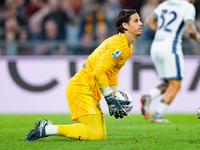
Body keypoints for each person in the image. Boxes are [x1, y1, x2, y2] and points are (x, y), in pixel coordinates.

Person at [24, 9, 143, 141]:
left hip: (89, 89)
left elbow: (111, 72)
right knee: (95, 134)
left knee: (100, 135)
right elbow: (99, 72)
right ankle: (45, 129)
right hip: (82, 87)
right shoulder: (118, 45)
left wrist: (115, 93)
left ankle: (46, 128)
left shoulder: (127, 47)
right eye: (136, 21)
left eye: (139, 20)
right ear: (125, 25)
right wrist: (110, 99)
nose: (141, 23)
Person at [141, 0, 200, 123]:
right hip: (171, 47)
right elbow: (190, 30)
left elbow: (148, 21)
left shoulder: (165, 4)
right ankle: (158, 115)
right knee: (176, 84)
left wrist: (162, 34)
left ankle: (148, 97)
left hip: (156, 46)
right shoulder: (188, 7)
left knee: (168, 82)